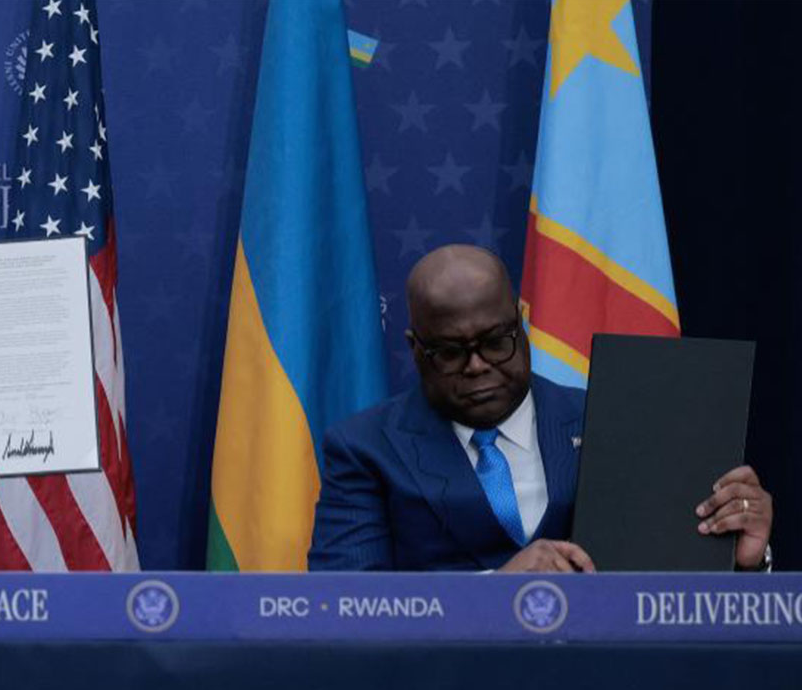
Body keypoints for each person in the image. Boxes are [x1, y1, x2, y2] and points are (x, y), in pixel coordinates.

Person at [309, 244, 772, 572]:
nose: (477, 367)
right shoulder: (364, 448)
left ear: (521, 323)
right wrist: (494, 597)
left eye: (495, 342)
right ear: (415, 348)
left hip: (602, 686)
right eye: (450, 352)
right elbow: (344, 608)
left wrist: (741, 559)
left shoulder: (613, 421)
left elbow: (670, 591)